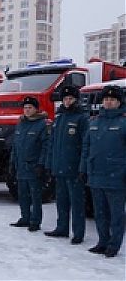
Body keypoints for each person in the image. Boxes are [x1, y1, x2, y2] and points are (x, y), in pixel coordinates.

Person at [80, 85, 125, 257]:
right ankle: (102, 241)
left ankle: (114, 245)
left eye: (112, 99)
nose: (108, 102)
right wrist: (83, 169)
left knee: (116, 215)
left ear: (119, 102)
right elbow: (86, 147)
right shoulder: (94, 122)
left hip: (117, 176)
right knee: (100, 213)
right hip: (96, 175)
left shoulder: (124, 122)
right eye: (106, 99)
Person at [44, 85, 88, 244]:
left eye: (71, 98)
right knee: (61, 201)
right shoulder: (59, 118)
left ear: (76, 99)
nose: (67, 101)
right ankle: (62, 228)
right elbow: (52, 143)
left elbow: (85, 145)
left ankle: (78, 233)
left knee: (77, 203)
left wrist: (82, 167)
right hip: (59, 167)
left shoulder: (82, 118)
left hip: (74, 168)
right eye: (65, 98)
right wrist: (49, 164)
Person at [9, 96, 48, 232]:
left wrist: (41, 164)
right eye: (25, 108)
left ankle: (35, 220)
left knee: (35, 196)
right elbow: (16, 145)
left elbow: (45, 146)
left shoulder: (42, 124)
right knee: (22, 194)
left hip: (33, 166)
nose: (27, 110)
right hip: (21, 166)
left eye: (30, 108)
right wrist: (12, 163)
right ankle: (25, 217)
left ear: (36, 109)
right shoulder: (21, 123)